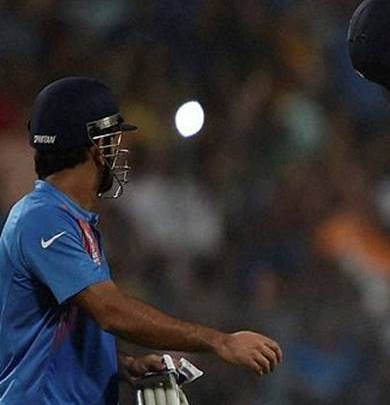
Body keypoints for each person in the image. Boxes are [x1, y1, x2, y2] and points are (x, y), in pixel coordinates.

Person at [0, 77, 283, 404]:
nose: (121, 153)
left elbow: (53, 331)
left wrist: (121, 365)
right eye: (115, 140)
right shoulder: (42, 218)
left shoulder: (66, 218)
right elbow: (110, 310)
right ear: (96, 148)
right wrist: (220, 341)